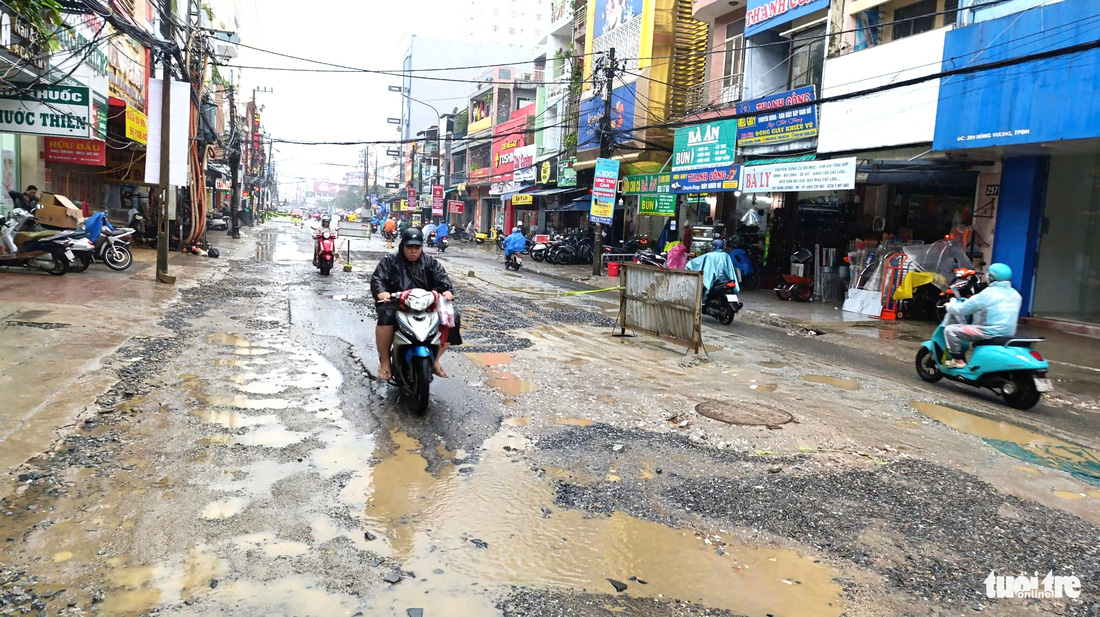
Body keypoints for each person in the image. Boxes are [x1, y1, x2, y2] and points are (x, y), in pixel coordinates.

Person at [370, 228, 458, 379]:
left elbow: (442, 279)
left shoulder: (430, 262)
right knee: (385, 315)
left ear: (421, 248)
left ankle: (436, 360)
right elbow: (378, 279)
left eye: (417, 248)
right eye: (409, 247)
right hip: (397, 303)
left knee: (453, 318)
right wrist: (381, 292)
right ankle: (385, 362)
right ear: (402, 246)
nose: (413, 251)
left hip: (426, 304)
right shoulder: (390, 261)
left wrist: (447, 291)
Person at [942, 263, 1022, 368]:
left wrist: (949, 306)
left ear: (991, 277)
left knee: (950, 330)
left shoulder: (987, 294)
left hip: (987, 332)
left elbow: (962, 309)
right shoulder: (1016, 295)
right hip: (1008, 333)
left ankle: (958, 360)